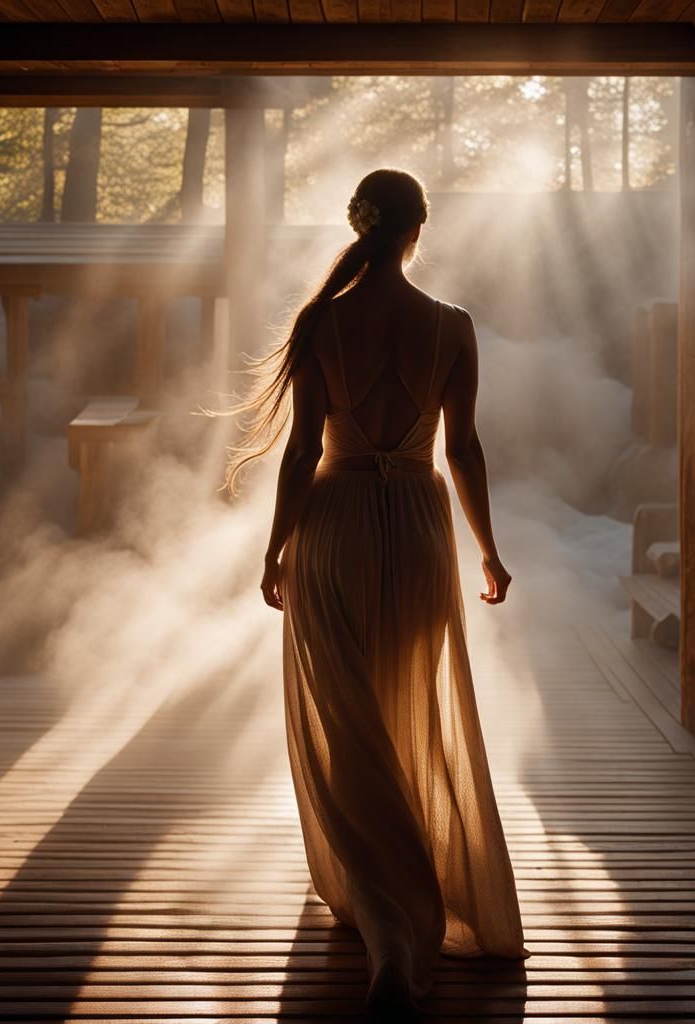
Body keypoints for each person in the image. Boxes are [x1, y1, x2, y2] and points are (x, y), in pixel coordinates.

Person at [226, 168, 528, 1012]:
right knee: (402, 703)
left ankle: (390, 932)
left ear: (361, 225)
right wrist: (490, 552)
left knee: (346, 715)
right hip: (420, 527)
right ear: (418, 228)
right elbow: (462, 451)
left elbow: (300, 453)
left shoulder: (322, 322)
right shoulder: (452, 326)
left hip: (336, 524)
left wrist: (274, 549)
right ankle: (399, 918)